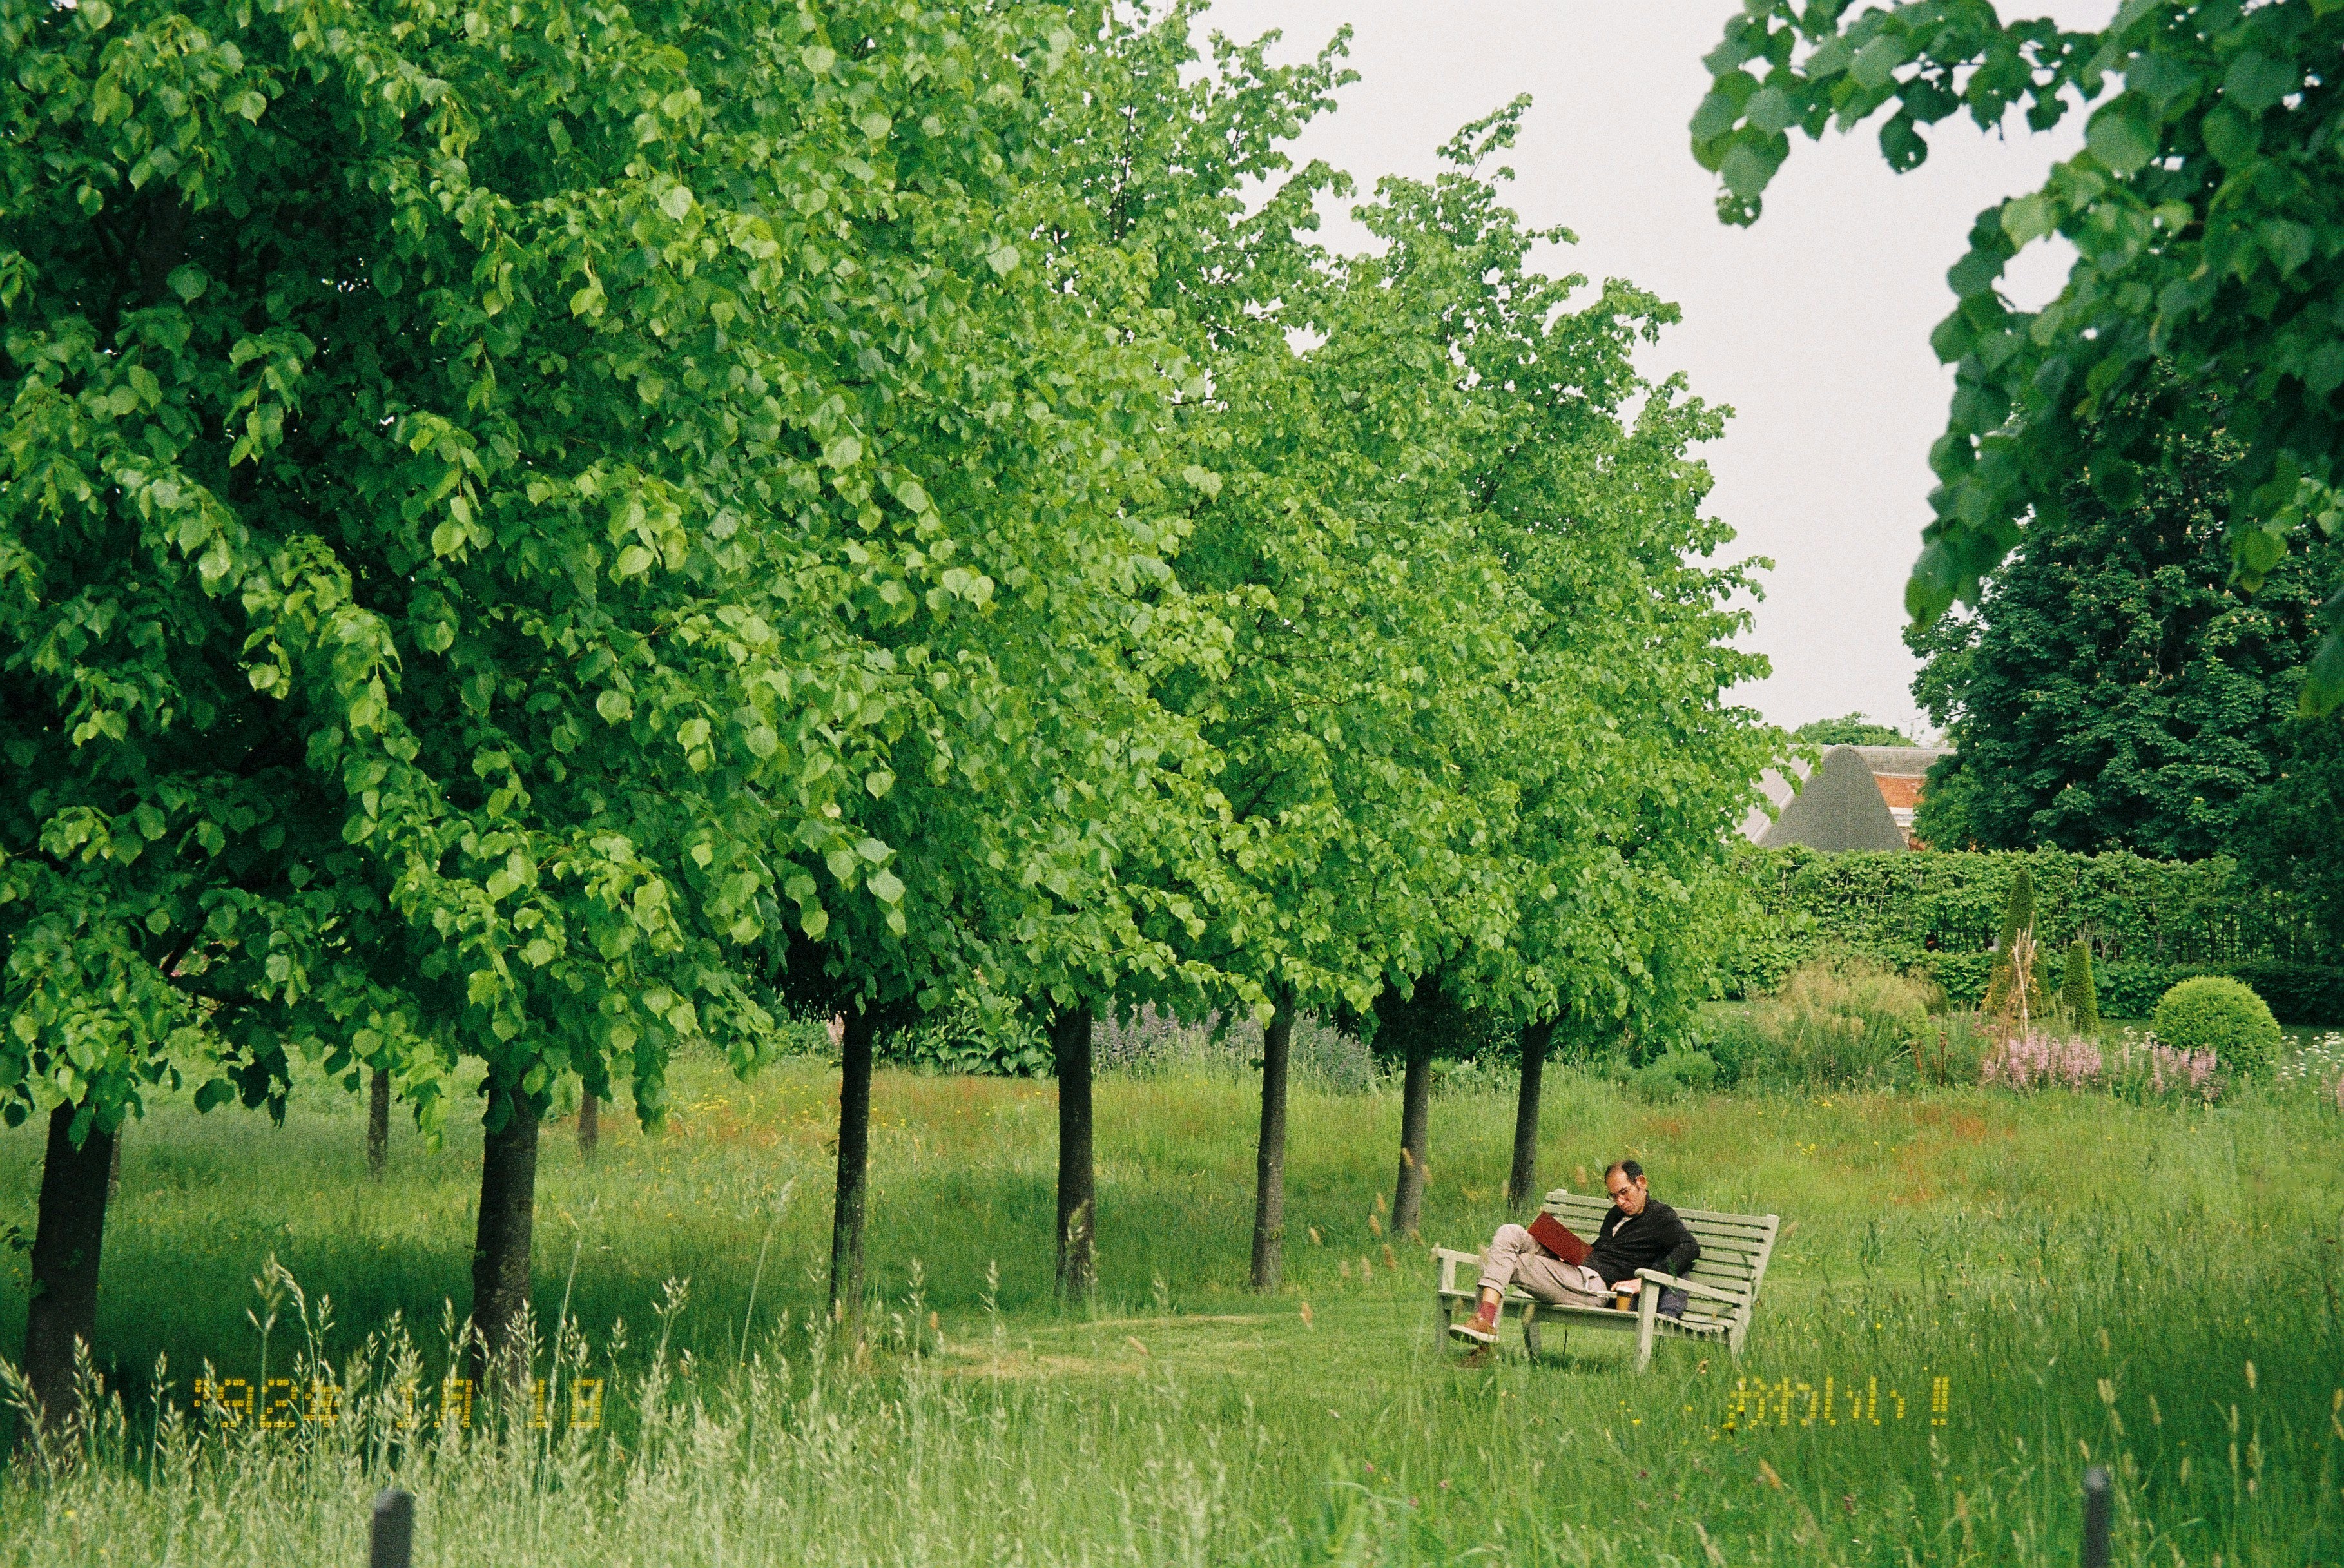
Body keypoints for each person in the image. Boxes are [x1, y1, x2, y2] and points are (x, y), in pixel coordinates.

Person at [1448, 1159, 1700, 1346]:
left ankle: (1482, 1344)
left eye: (1624, 1193)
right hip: (1577, 1268)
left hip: (1595, 1287)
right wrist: (1564, 1251)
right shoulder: (1616, 1215)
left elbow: (1690, 1248)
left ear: (1641, 1183)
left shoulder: (1660, 1216)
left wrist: (1642, 1281)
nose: (1620, 1202)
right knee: (1509, 1231)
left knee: (1504, 1262)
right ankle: (1486, 1321)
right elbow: (1602, 1251)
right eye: (1614, 1196)